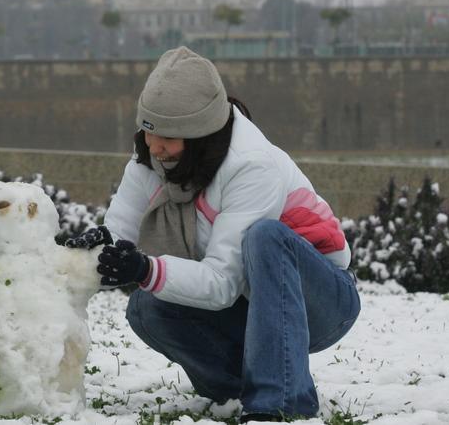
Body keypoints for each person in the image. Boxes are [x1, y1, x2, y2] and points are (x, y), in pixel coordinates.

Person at [64, 46, 360, 422]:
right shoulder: (155, 154)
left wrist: (144, 269)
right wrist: (88, 254)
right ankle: (238, 391)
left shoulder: (252, 165)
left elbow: (222, 281)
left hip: (321, 303)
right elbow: (119, 232)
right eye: (148, 131)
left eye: (167, 137)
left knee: (265, 237)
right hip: (249, 303)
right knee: (147, 307)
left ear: (198, 134)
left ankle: (281, 402)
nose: (155, 147)